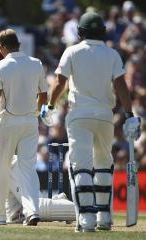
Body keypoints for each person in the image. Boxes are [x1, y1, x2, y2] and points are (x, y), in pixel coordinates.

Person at [41, 12, 141, 232]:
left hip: (80, 115)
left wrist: (49, 106)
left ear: (80, 32)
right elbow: (121, 87)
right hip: (105, 116)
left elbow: (60, 83)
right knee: (104, 165)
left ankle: (86, 219)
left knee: (81, 166)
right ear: (102, 32)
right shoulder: (112, 54)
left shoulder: (72, 51)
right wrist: (129, 114)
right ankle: (104, 217)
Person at [0, 29, 48, 226]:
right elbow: (43, 96)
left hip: (7, 123)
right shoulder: (36, 63)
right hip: (30, 122)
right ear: (18, 44)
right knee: (28, 169)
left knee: (1, 168)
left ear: (2, 46)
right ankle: (32, 211)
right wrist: (34, 114)